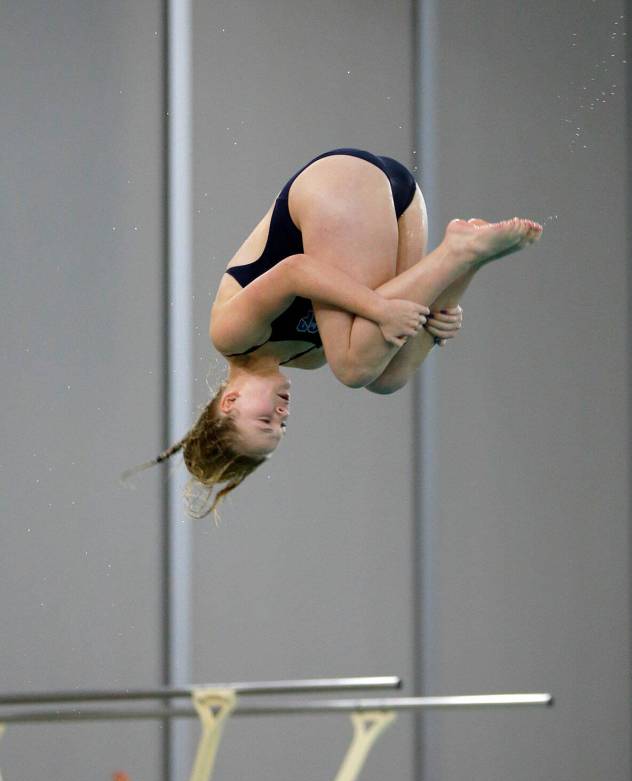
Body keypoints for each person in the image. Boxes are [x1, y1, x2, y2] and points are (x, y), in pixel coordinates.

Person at [131, 147, 541, 517]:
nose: (283, 415)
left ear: (230, 401)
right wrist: (437, 327)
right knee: (387, 377)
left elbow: (296, 271)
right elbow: (392, 320)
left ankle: (460, 252)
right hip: (400, 201)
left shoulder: (230, 334)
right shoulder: (308, 357)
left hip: (338, 185)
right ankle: (463, 265)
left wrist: (378, 309)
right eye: (282, 428)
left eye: (264, 421)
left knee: (352, 367)